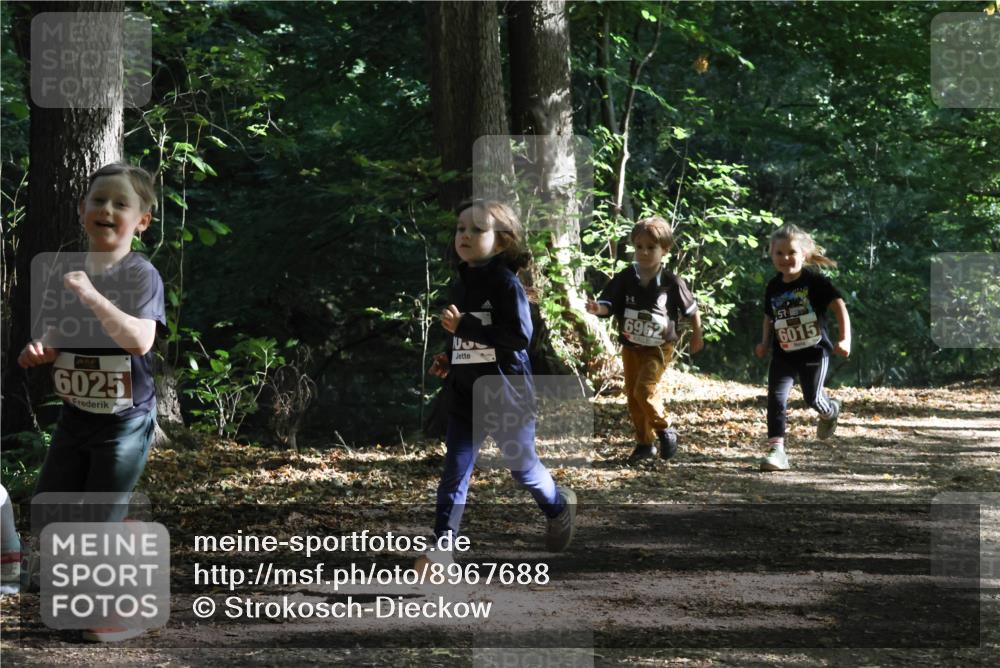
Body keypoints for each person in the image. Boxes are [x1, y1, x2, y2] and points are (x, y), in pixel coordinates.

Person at [17, 162, 165, 641]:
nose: (107, 209)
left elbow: (140, 340)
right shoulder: (69, 273)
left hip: (125, 423)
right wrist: (42, 348)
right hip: (76, 417)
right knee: (52, 509)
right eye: (99, 200)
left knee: (99, 517)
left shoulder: (141, 274)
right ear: (82, 209)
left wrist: (91, 294)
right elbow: (61, 331)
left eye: (121, 203)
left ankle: (121, 613)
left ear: (142, 221)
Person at [419, 200, 576, 571]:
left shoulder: (506, 284)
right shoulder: (461, 282)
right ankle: (442, 548)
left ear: (502, 241)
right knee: (455, 472)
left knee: (522, 469)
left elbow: (519, 338)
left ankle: (558, 507)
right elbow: (464, 334)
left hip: (507, 395)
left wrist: (465, 328)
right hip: (465, 394)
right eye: (461, 228)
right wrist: (449, 357)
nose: (465, 235)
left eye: (477, 229)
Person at [586, 216, 703, 463]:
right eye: (639, 246)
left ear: (665, 250)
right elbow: (609, 303)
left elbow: (692, 311)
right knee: (632, 395)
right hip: (631, 346)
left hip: (658, 347)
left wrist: (697, 336)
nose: (644, 252)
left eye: (651, 247)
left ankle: (665, 427)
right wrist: (598, 308)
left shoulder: (672, 282)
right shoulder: (626, 277)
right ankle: (644, 444)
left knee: (644, 389)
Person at [754, 224, 851, 472]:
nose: (785, 258)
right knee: (776, 398)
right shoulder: (773, 286)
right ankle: (776, 451)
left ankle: (830, 411)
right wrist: (764, 343)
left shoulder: (815, 282)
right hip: (783, 353)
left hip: (814, 352)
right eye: (779, 253)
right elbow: (769, 317)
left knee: (812, 397)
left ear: (804, 254)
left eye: (792, 252)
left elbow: (839, 306)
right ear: (771, 254)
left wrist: (845, 339)